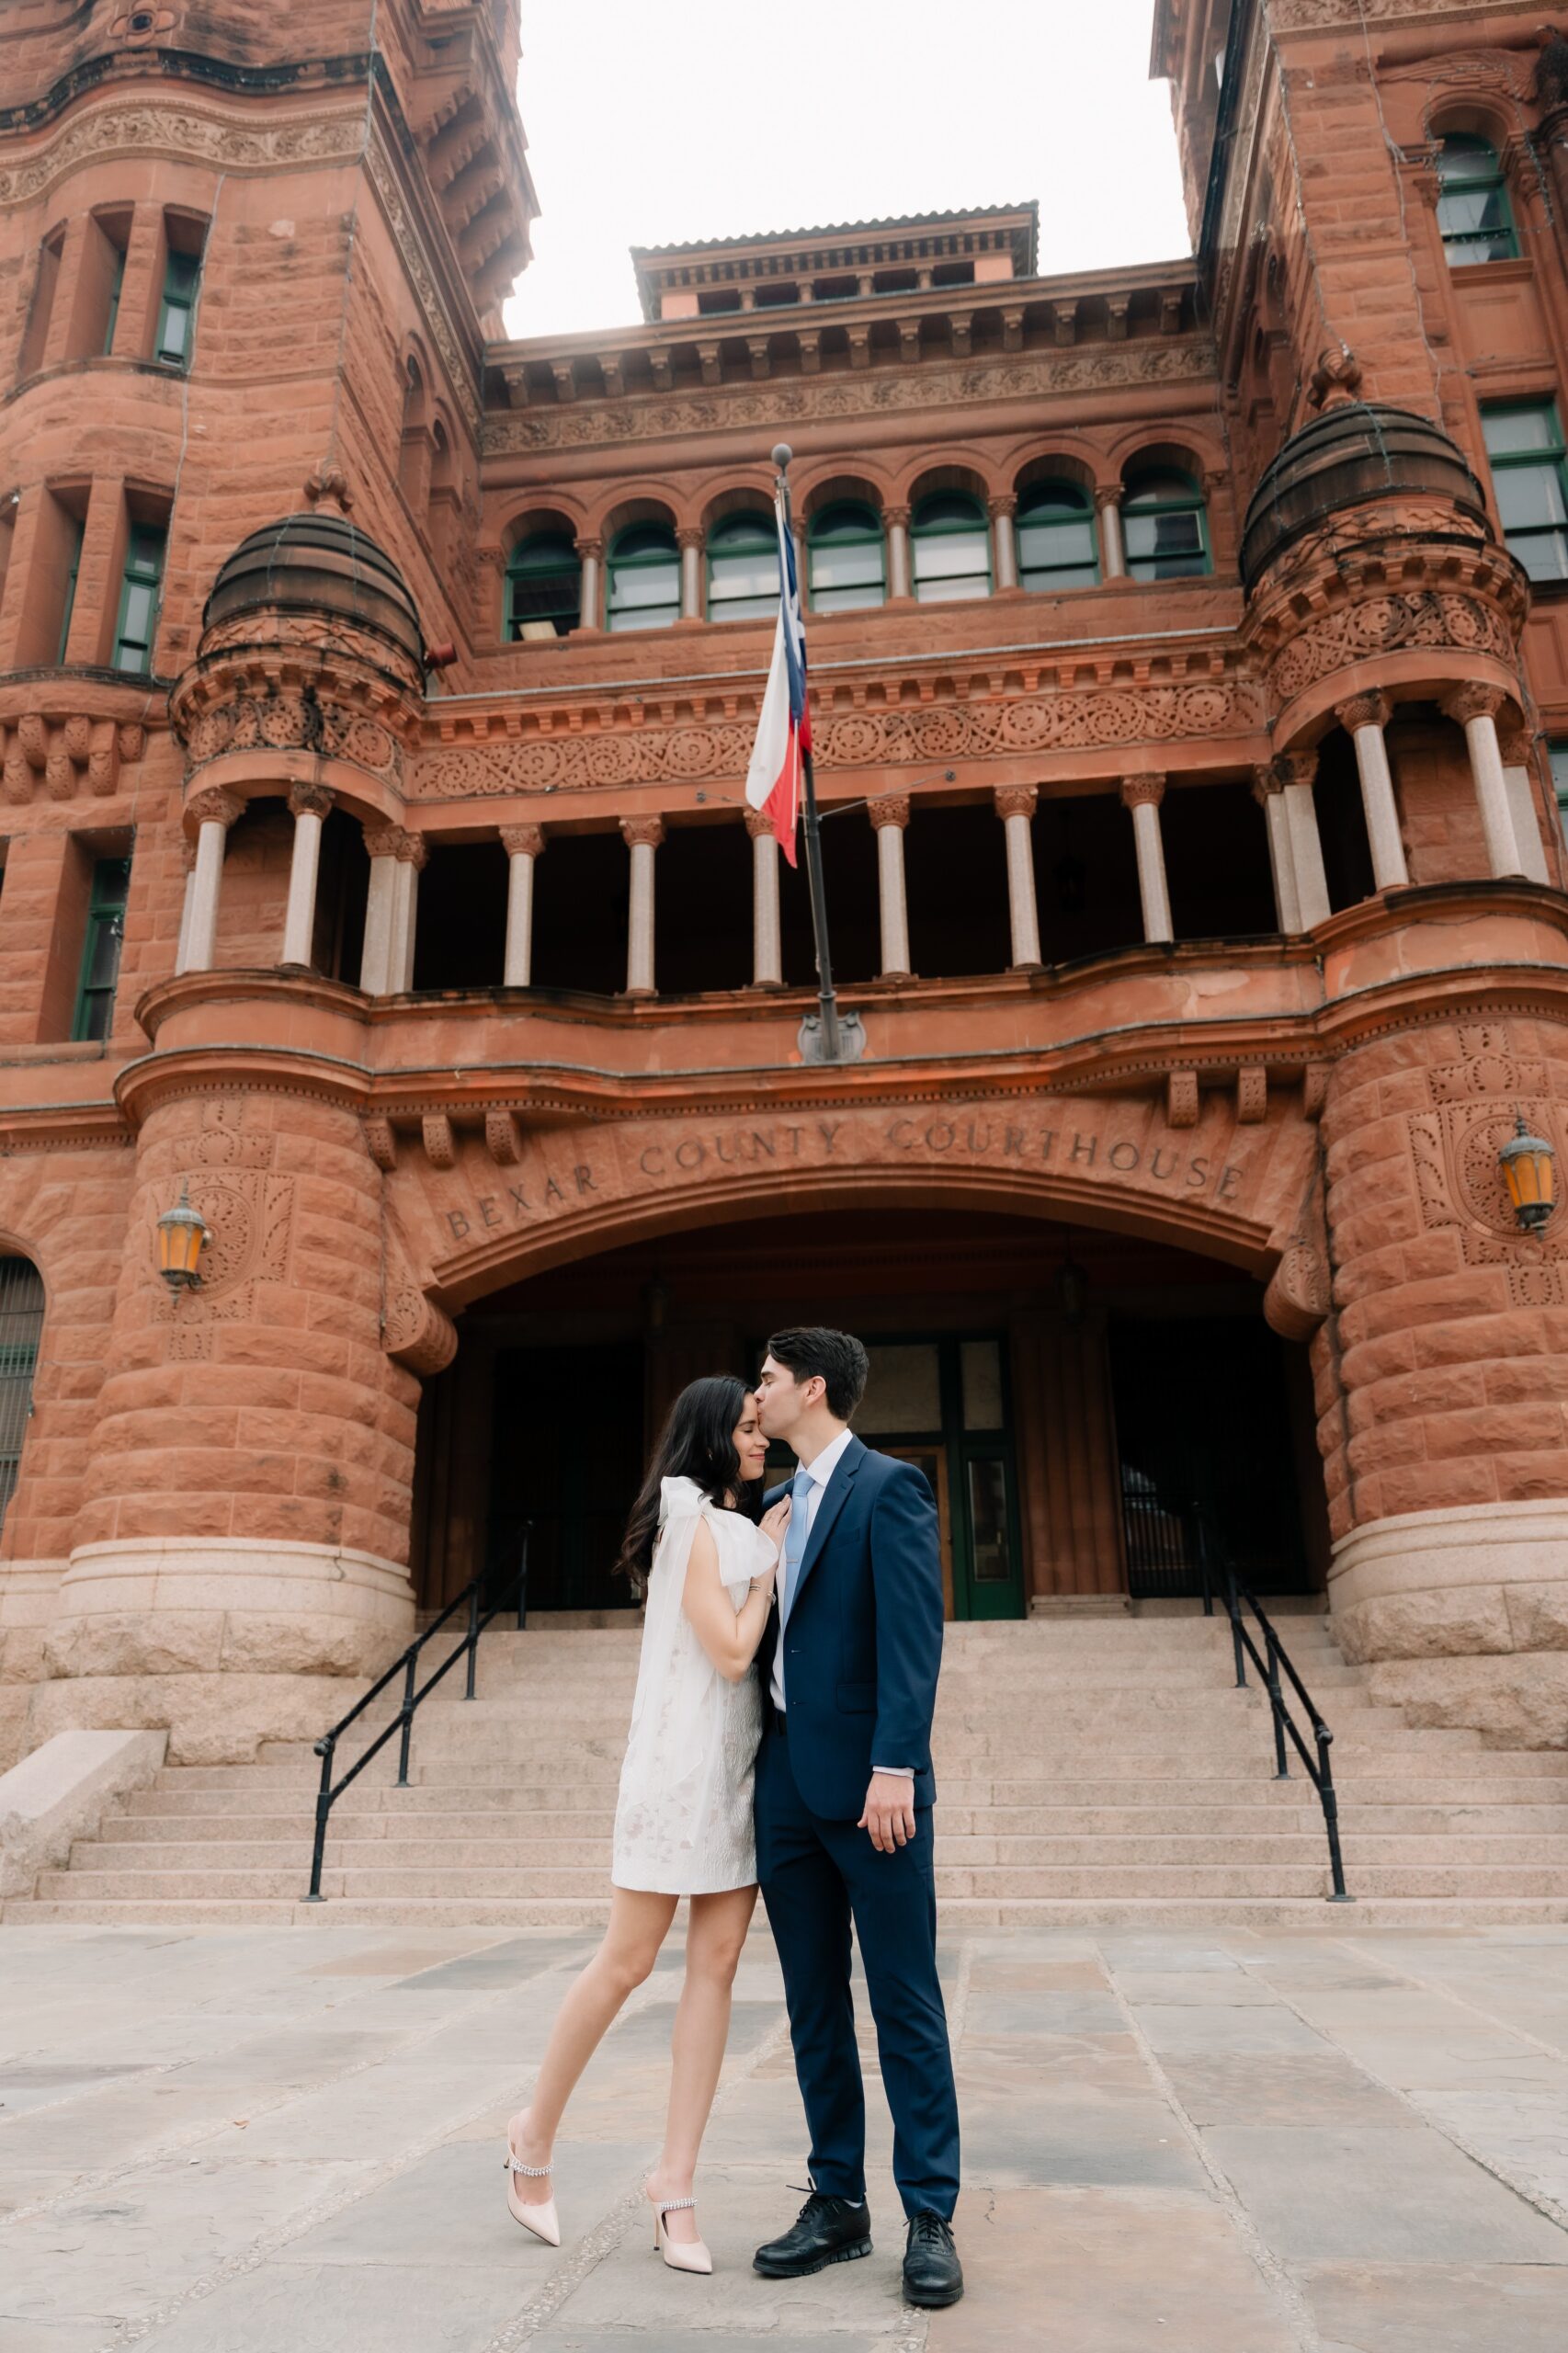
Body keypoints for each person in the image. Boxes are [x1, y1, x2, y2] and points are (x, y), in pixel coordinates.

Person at [502, 1375, 790, 2276]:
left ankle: (675, 2184)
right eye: (746, 1427)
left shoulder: (736, 1528)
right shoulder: (689, 1522)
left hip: (734, 1776)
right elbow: (732, 1650)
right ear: (706, 1434)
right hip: (673, 1776)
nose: (760, 1439)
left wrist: (768, 1552)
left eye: (761, 1424)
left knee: (715, 1968)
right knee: (626, 1961)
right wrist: (771, 1569)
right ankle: (531, 2135)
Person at [751, 1326, 963, 2309]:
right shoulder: (773, 1502)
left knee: (903, 2001)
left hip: (872, 1788)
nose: (756, 1394)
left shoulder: (890, 1486)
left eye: (766, 1378)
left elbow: (913, 1635)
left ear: (813, 1387)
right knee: (811, 2003)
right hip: (786, 1782)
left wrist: (896, 1766)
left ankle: (928, 2211)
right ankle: (837, 2199)